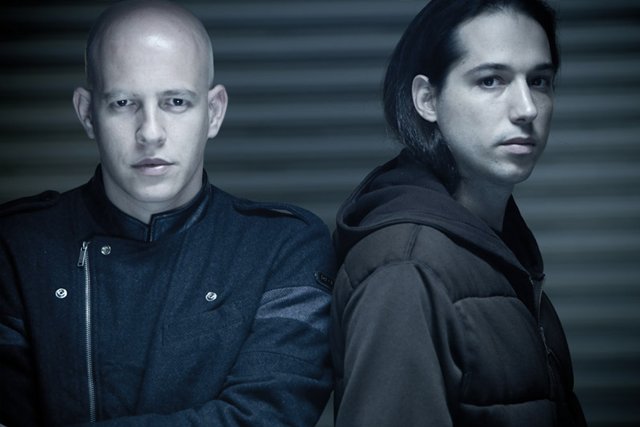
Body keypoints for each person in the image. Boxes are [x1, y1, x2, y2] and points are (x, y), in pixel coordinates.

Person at [0, 1, 335, 425]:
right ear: (87, 114)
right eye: (123, 102)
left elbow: (267, 417)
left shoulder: (283, 247)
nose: (150, 133)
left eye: (176, 102)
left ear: (213, 113)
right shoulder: (16, 247)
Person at [330, 0, 588, 425]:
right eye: (491, 80)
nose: (527, 108)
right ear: (427, 99)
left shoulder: (494, 243)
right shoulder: (406, 269)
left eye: (539, 80)